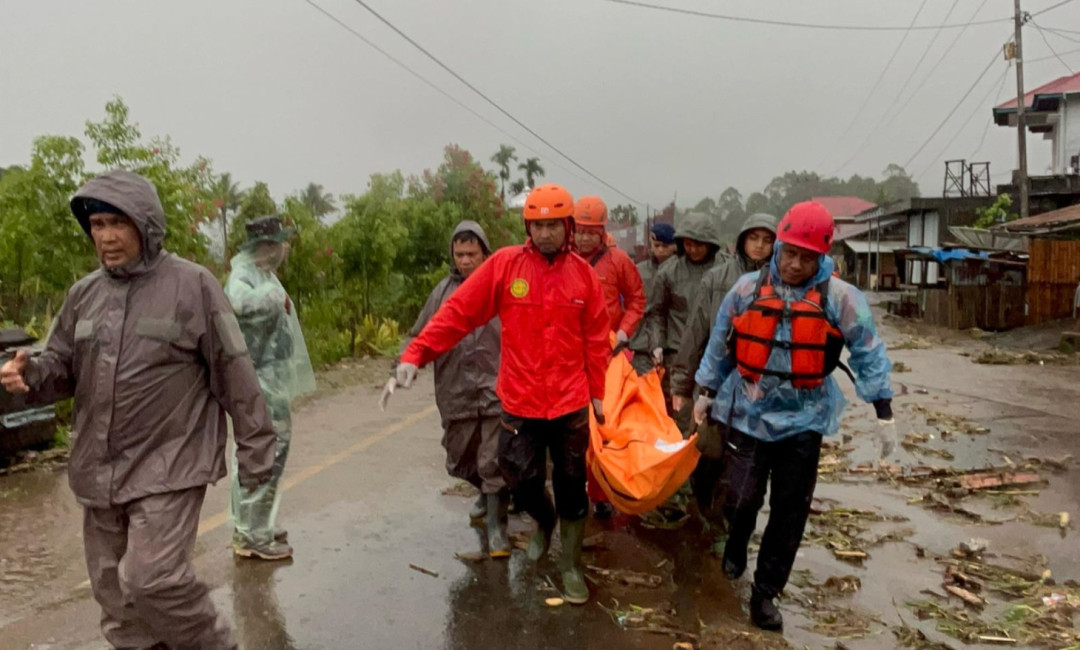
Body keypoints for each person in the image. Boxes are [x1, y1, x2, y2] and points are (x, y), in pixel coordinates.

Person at [0, 169, 276, 649]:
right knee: (117, 601)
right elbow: (61, 366)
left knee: (154, 579)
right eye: (97, 224)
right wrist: (29, 376)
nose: (105, 236)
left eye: (116, 223)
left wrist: (257, 450)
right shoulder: (83, 295)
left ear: (145, 225)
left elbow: (235, 370)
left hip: (171, 462)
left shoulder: (194, 286)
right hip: (99, 467)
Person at [389, 184, 610, 604]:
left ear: (566, 226)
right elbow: (457, 313)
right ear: (528, 226)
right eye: (537, 224)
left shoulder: (583, 275)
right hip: (519, 400)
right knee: (520, 480)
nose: (545, 233)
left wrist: (598, 393)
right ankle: (543, 522)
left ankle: (571, 566)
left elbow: (596, 337)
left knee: (570, 483)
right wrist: (416, 354)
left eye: (553, 225)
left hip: (569, 403)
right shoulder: (506, 267)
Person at [693, 201, 894, 631]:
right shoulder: (746, 289)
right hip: (748, 414)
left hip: (804, 422)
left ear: (821, 257)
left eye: (808, 257)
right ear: (778, 248)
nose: (796, 264)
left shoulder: (840, 298)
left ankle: (765, 592)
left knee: (789, 511)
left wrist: (883, 408)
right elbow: (719, 340)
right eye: (790, 253)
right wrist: (705, 391)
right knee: (743, 498)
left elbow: (868, 349)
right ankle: (737, 539)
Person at [382, 221, 506, 556]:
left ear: (485, 253)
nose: (466, 261)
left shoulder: (501, 287)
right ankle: (488, 492)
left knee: (493, 459)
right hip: (456, 391)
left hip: (497, 389)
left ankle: (497, 528)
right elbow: (420, 335)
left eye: (472, 254)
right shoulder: (442, 293)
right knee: (460, 459)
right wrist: (404, 366)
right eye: (460, 254)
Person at [670, 213, 776, 520]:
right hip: (714, 384)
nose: (759, 246)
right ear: (742, 240)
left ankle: (726, 524)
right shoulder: (717, 278)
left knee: (745, 462)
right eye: (753, 238)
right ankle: (703, 507)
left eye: (767, 240)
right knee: (709, 455)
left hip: (758, 389)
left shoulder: (782, 283)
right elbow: (696, 331)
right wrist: (680, 383)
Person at [225, 215, 316, 561]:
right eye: (279, 243)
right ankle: (252, 535)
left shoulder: (261, 272)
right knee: (265, 452)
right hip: (258, 380)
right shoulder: (244, 275)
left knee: (264, 451)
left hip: (269, 379)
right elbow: (237, 302)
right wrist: (273, 298)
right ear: (264, 247)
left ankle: (253, 525)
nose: (284, 249)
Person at [573, 196, 646, 519]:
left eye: (592, 231)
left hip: (607, 359)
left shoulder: (618, 261)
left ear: (603, 231)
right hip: (568, 357)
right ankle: (574, 490)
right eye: (580, 230)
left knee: (603, 427)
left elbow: (636, 299)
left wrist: (625, 333)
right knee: (573, 430)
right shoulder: (563, 260)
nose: (585, 237)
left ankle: (601, 493)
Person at [645, 211, 724, 427]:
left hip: (714, 354)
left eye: (699, 244)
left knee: (712, 420)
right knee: (680, 417)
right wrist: (657, 344)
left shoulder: (725, 269)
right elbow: (655, 312)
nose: (693, 249)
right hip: (677, 357)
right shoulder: (668, 272)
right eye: (688, 243)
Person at [629, 223, 677, 375]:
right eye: (656, 245)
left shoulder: (680, 272)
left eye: (665, 246)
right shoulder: (639, 271)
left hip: (672, 344)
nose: (661, 250)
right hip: (642, 344)